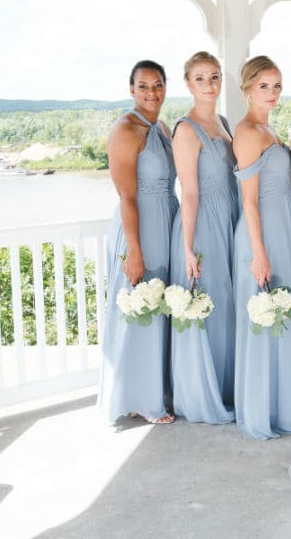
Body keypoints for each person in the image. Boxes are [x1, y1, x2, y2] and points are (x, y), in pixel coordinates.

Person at [232, 56, 291, 439]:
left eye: (277, 85)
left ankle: (282, 405)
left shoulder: (269, 127)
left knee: (282, 312)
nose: (273, 93)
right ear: (247, 89)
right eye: (264, 86)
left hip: (282, 227)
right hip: (260, 233)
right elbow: (249, 201)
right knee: (263, 315)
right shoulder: (247, 131)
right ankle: (261, 410)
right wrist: (259, 253)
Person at [98, 60, 178, 424]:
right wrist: (133, 251)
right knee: (139, 304)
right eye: (143, 86)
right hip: (139, 226)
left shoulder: (160, 127)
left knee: (160, 304)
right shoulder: (125, 130)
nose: (151, 92)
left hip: (166, 222)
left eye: (157, 85)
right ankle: (138, 399)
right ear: (131, 90)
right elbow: (126, 196)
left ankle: (156, 389)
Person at [169, 51, 237, 425]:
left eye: (214, 77)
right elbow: (189, 193)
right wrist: (188, 248)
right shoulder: (185, 129)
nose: (209, 84)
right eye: (200, 78)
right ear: (188, 84)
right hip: (203, 223)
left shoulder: (223, 122)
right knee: (207, 302)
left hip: (229, 218)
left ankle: (227, 385)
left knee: (226, 304)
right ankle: (201, 393)